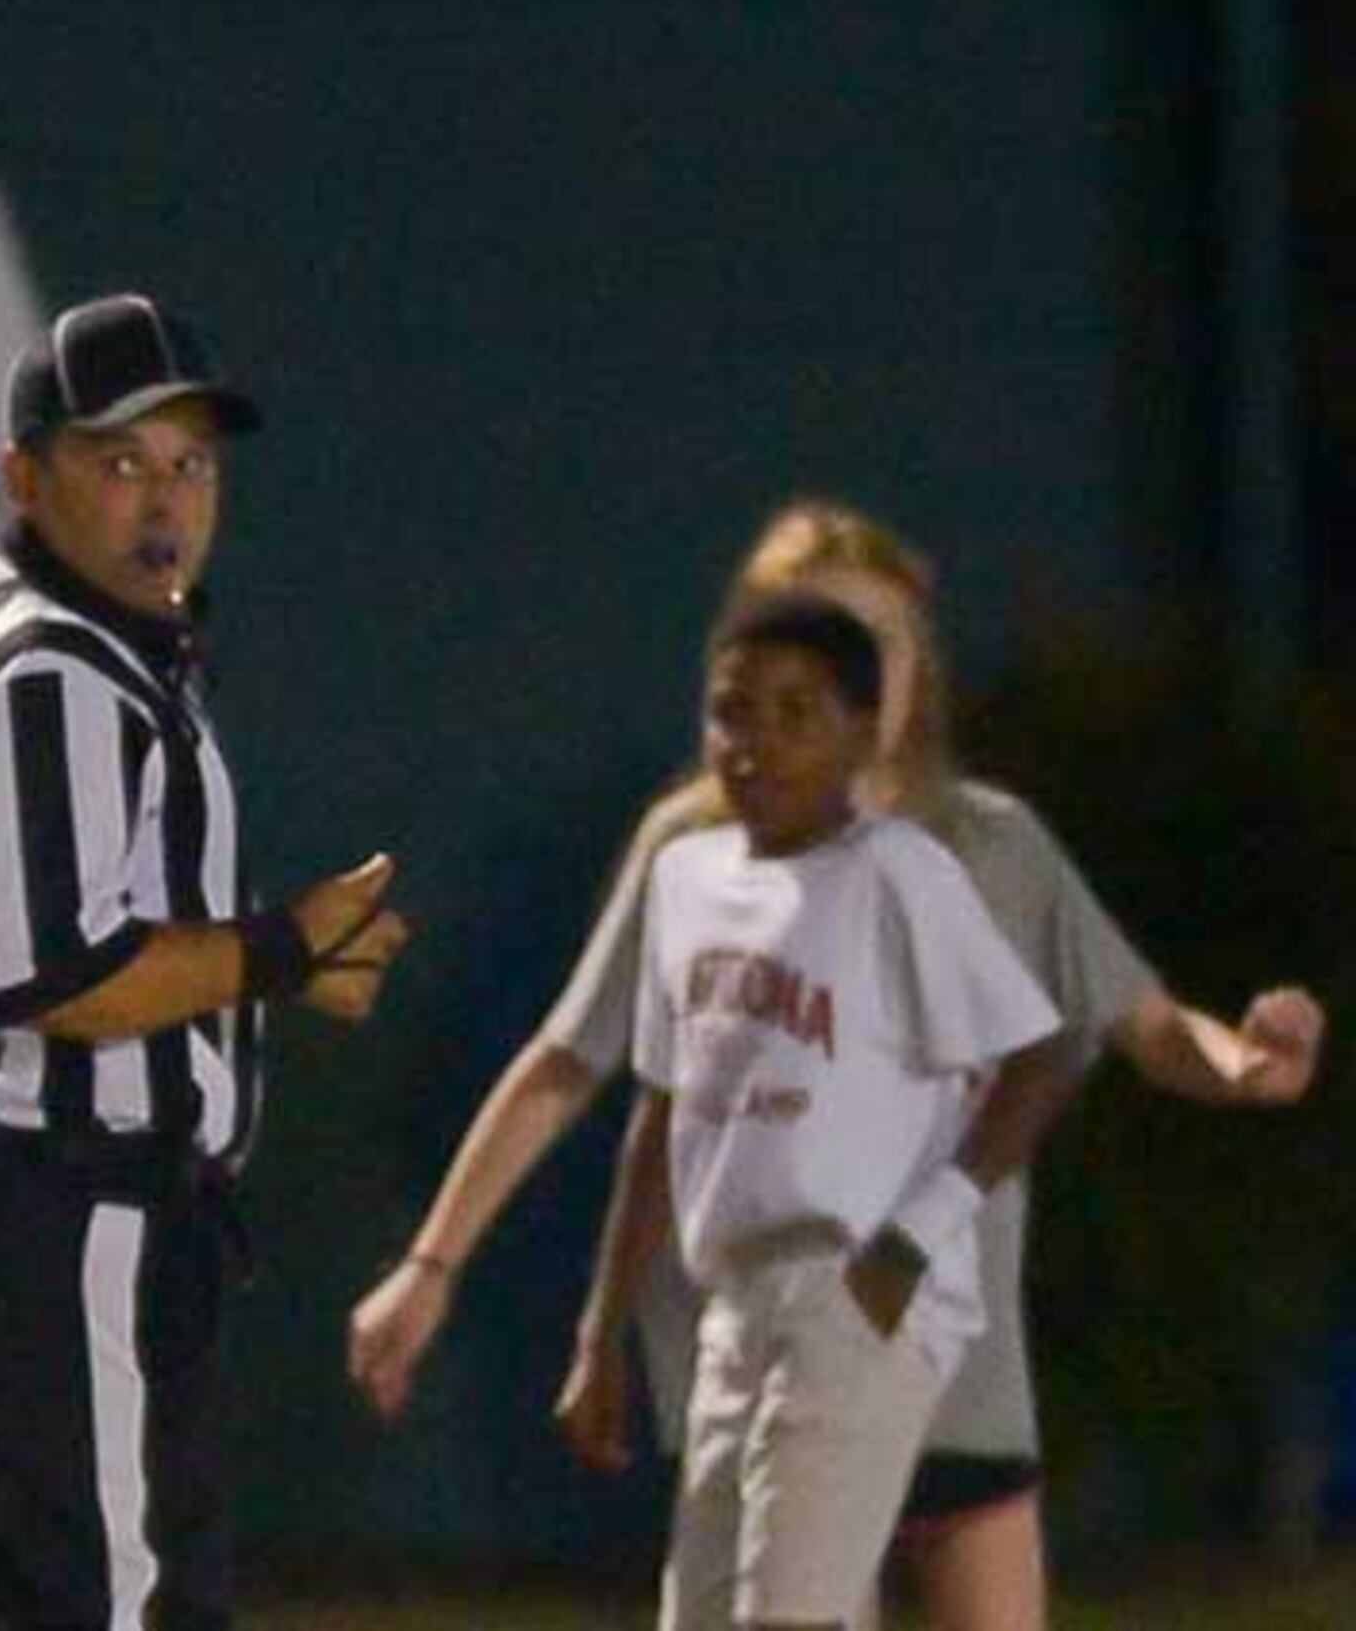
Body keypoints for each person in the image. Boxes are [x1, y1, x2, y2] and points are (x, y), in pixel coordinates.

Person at [343, 500, 1328, 1630]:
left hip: (927, 1339)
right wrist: (468, 1273)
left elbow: (1126, 1023)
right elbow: (609, 1075)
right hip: (752, 1315)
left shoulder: (973, 846)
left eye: (868, 640)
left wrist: (1246, 1062)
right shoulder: (696, 854)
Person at [0, 294, 416, 1631]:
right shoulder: (51, 666)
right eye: (118, 460)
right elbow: (67, 977)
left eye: (189, 464)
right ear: (25, 473)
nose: (164, 502)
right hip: (59, 1219)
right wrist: (280, 947)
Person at [614, 590, 1071, 1631]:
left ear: (864, 729)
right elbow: (662, 1111)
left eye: (796, 711)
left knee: (790, 1612)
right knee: (702, 1613)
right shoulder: (687, 878)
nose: (756, 741)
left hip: (858, 1285)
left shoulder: (897, 871)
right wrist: (603, 1332)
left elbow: (1039, 1054)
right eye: (734, 710)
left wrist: (919, 1232)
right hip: (736, 1296)